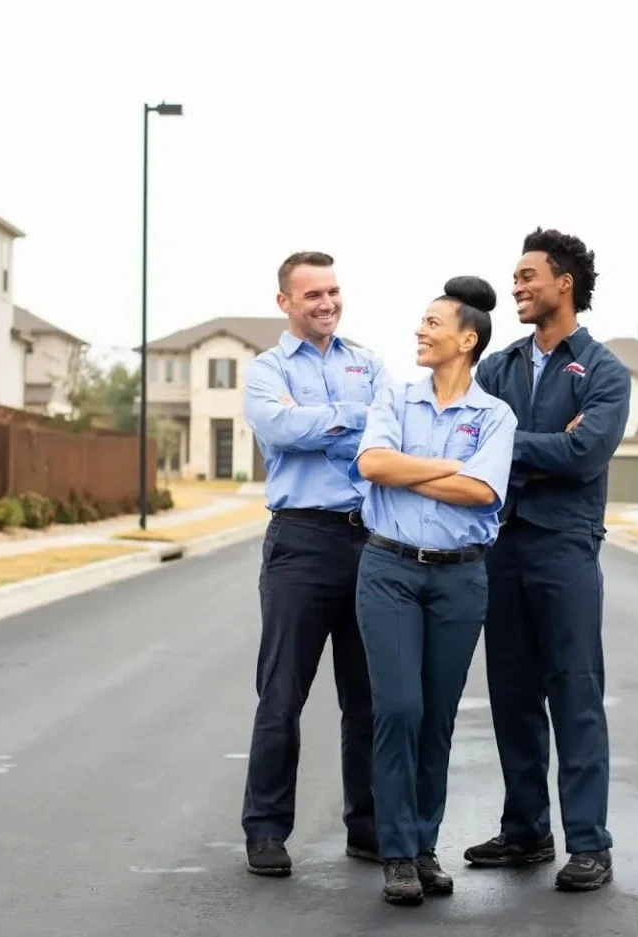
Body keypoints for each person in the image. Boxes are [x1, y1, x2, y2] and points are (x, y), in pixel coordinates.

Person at [465, 227, 631, 892]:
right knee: (510, 692)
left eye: (528, 275)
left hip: (565, 545)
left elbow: (585, 453)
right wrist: (537, 442)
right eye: (515, 277)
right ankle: (527, 829)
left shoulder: (604, 371)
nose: (517, 287)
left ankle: (589, 841)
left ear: (564, 282)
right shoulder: (497, 367)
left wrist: (510, 443)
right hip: (499, 544)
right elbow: (470, 437)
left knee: (575, 691)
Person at [349, 276, 516, 906]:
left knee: (438, 718)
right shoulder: (395, 396)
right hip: (389, 569)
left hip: (460, 576)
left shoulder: (496, 415)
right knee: (398, 708)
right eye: (420, 322)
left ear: (466, 339)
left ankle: (422, 847)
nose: (420, 331)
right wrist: (450, 467)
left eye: (432, 323)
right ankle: (395, 853)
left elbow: (483, 493)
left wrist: (411, 472)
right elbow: (371, 465)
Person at [239, 250, 391, 878]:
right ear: (285, 302)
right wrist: (353, 421)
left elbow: (390, 434)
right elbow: (277, 430)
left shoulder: (369, 363)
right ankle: (267, 832)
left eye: (333, 292)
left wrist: (321, 423)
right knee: (281, 696)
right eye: (312, 295)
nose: (326, 304)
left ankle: (369, 827)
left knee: (368, 698)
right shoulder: (263, 370)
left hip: (369, 542)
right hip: (300, 543)